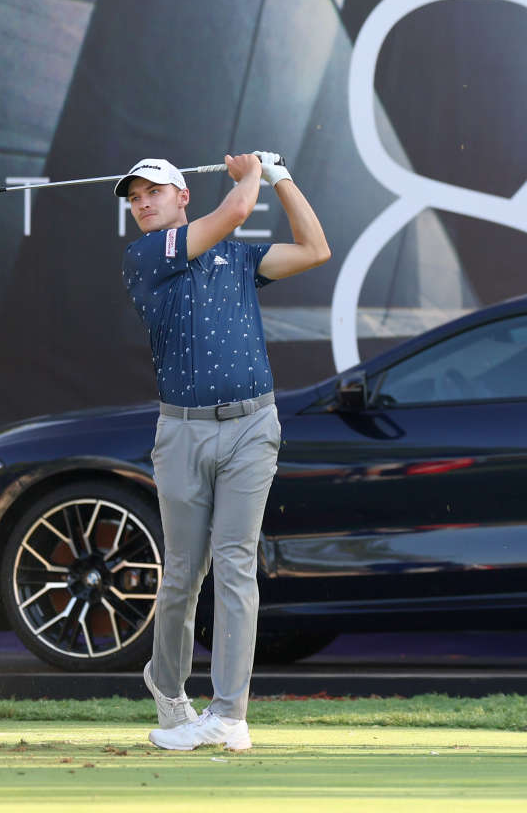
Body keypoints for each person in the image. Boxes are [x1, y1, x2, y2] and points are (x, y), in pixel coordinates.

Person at [117, 151, 331, 752]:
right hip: (183, 433)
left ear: (182, 195)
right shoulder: (144, 256)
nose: (142, 204)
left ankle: (230, 716)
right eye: (134, 198)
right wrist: (252, 173)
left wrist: (284, 175)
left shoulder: (236, 258)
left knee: (236, 567)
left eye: (152, 192)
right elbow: (237, 207)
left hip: (252, 427)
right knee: (184, 573)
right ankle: (166, 684)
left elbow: (315, 249)